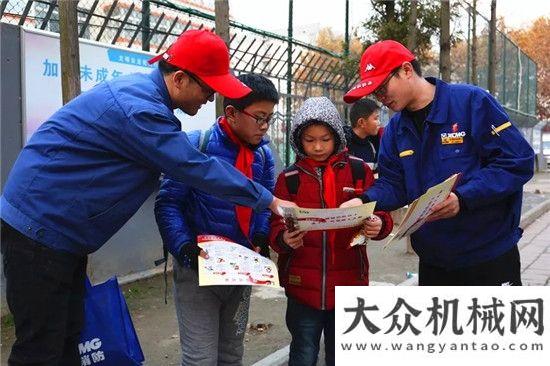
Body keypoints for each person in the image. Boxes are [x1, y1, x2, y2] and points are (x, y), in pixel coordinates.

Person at [0, 29, 292, 365]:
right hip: (40, 230)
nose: (210, 99)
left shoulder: (147, 102)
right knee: (41, 348)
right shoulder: (140, 110)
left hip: (57, 233)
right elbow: (193, 167)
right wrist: (269, 200)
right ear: (180, 79)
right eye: (209, 89)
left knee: (67, 336)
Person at [342, 40, 534, 286]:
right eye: (375, 92)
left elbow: (517, 162)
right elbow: (394, 183)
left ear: (407, 70)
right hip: (434, 263)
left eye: (382, 86)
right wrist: (364, 201)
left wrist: (463, 198)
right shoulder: (395, 131)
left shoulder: (471, 103)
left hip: (489, 257)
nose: (380, 98)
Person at [155, 73, 278, 366]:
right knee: (200, 359)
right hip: (197, 271)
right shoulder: (196, 146)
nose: (264, 127)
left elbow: (264, 203)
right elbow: (168, 203)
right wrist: (185, 249)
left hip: (240, 272)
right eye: (259, 117)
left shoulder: (263, 156)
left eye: (269, 119)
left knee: (231, 356)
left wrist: (261, 236)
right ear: (232, 113)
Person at [269, 97, 393, 366]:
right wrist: (283, 239)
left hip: (350, 282)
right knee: (303, 353)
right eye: (309, 140)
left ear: (336, 135)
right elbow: (275, 225)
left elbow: (380, 209)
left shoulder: (359, 170)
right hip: (303, 287)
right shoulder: (289, 179)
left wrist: (379, 225)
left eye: (324, 139)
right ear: (297, 140)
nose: (317, 146)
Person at [344, 98, 384, 170]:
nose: (379, 123)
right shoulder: (343, 146)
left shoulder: (375, 144)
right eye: (376, 118)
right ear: (361, 122)